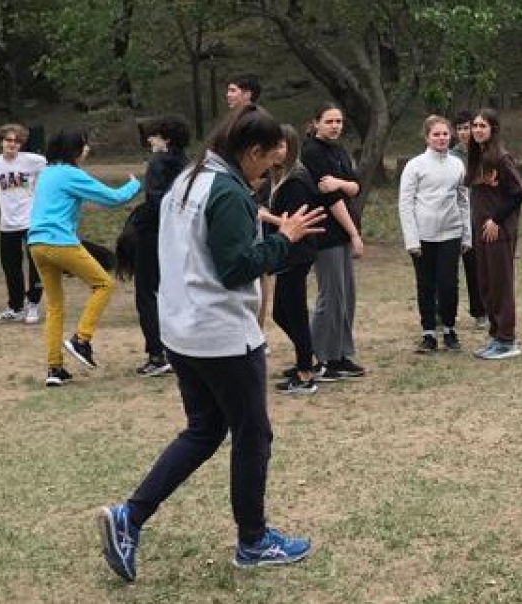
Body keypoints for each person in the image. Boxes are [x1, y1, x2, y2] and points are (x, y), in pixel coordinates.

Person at [98, 106, 325, 581]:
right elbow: (235, 267)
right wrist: (284, 237)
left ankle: (129, 517)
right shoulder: (226, 190)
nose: (270, 169)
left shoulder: (189, 178)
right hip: (221, 335)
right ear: (250, 150)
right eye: (267, 159)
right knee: (252, 435)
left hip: (181, 330)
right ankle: (253, 540)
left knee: (204, 430)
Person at [25, 130, 139, 386]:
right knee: (103, 284)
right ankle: (81, 339)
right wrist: (134, 183)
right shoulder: (70, 174)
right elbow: (114, 199)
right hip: (59, 241)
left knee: (54, 306)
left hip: (35, 244)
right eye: (83, 146)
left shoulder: (46, 173)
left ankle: (54, 369)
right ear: (73, 150)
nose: (86, 150)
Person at [299, 104, 368, 377]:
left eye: (339, 121)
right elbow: (332, 200)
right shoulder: (312, 152)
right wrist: (354, 234)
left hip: (343, 231)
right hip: (326, 233)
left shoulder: (339, 150)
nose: (335, 126)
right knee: (331, 296)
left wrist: (340, 183)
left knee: (347, 295)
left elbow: (354, 186)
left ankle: (340, 354)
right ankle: (321, 358)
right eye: (329, 121)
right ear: (316, 123)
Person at [119, 115, 191, 376]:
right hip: (179, 234)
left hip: (152, 233)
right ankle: (177, 348)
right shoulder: (187, 163)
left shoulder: (159, 163)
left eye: (154, 135)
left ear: (166, 139)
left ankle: (157, 354)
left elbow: (155, 200)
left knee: (147, 294)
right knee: (171, 292)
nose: (150, 140)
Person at [399, 115, 470, 354]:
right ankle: (428, 333)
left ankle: (449, 329)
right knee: (425, 285)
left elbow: (464, 201)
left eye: (445, 134)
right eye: (436, 134)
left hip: (451, 233)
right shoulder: (415, 165)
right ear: (427, 137)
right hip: (423, 237)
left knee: (449, 284)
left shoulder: (458, 165)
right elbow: (406, 204)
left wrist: (466, 236)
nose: (441, 138)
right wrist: (412, 239)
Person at [264, 125, 324, 394]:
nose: (276, 152)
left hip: (296, 253)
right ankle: (308, 358)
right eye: (272, 146)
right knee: (280, 313)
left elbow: (295, 223)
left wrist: (266, 216)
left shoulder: (297, 180)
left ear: (291, 148)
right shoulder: (278, 176)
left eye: (281, 146)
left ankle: (305, 374)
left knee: (295, 312)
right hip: (285, 253)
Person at [466, 108, 522, 360]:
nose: (478, 130)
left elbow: (518, 193)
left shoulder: (502, 158)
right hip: (481, 232)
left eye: (483, 126)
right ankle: (495, 335)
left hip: (498, 232)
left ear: (493, 129)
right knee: (486, 284)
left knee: (501, 284)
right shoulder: (478, 157)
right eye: (475, 126)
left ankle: (507, 339)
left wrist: (496, 219)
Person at [0, 124, 46, 324]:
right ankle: (16, 306)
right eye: (8, 140)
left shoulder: (34, 161)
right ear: (1, 142)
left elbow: (46, 179)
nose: (12, 144)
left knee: (36, 264)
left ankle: (34, 304)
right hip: (7, 223)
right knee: (10, 266)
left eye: (16, 141)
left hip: (31, 221)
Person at [449, 111, 486, 329]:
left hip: (478, 217)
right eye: (460, 128)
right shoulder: (450, 156)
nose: (464, 133)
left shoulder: (483, 154)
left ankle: (480, 311)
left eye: (467, 128)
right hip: (454, 217)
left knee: (476, 267)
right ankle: (446, 313)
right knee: (449, 269)